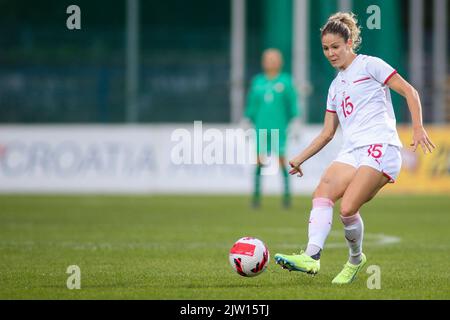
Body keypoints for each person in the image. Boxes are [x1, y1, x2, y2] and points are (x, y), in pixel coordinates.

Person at [274, 12, 436, 284]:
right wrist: (299, 158)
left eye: (335, 47)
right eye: (326, 48)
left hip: (381, 147)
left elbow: (410, 91)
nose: (330, 53)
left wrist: (418, 126)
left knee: (347, 209)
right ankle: (311, 258)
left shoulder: (370, 65)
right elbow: (327, 133)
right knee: (322, 190)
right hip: (352, 150)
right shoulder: (335, 86)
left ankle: (355, 259)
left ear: (349, 42)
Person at [244, 48, 300, 209]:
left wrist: (296, 120)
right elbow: (252, 104)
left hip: (279, 128)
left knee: (282, 161)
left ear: (280, 62)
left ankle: (287, 197)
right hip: (261, 128)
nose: (271, 62)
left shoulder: (286, 81)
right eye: (268, 59)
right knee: (259, 161)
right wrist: (247, 119)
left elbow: (293, 104)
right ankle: (256, 197)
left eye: (274, 59)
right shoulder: (258, 81)